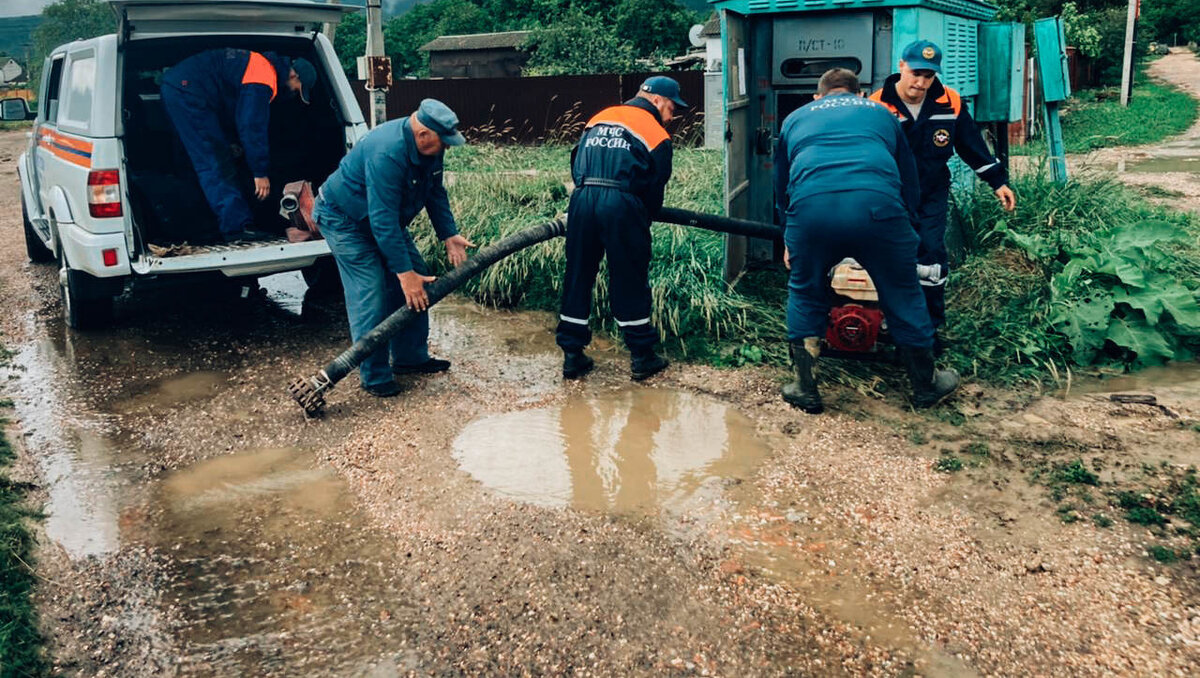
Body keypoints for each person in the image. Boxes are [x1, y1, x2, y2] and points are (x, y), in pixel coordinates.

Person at [774, 68, 959, 413]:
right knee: (903, 292)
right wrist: (910, 230)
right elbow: (909, 180)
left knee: (804, 290)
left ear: (818, 97)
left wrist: (790, 235)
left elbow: (781, 187)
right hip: (879, 209)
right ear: (859, 95)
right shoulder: (881, 113)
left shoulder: (794, 118)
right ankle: (925, 386)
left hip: (810, 213)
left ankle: (805, 387)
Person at [312, 99, 476, 398]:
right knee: (371, 289)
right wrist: (403, 273)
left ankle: (410, 358)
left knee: (420, 279)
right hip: (343, 219)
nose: (447, 149)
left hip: (381, 220)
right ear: (423, 133)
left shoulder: (430, 149)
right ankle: (373, 376)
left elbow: (435, 191)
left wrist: (449, 234)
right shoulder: (386, 151)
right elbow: (383, 220)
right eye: (444, 142)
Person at [869, 40, 1017, 335]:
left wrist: (998, 181)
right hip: (892, 194)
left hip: (932, 191)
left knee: (932, 254)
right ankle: (890, 320)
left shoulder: (950, 102)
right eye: (915, 73)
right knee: (892, 254)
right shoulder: (876, 105)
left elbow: (971, 145)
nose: (921, 82)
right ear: (901, 66)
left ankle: (930, 325)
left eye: (929, 76)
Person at [555, 76, 685, 381]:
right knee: (629, 276)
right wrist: (642, 215)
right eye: (671, 106)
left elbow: (576, 162)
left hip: (583, 198)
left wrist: (588, 194)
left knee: (578, 275)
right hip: (622, 204)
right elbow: (656, 186)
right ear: (655, 100)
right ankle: (642, 355)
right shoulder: (656, 133)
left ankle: (572, 355)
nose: (673, 114)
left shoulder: (599, 118)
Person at [160, 48, 318, 242]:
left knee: (210, 157)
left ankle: (209, 225)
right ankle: (236, 229)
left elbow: (231, 110)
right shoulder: (262, 77)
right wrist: (260, 173)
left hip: (186, 88)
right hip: (187, 91)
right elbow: (251, 125)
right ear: (294, 74)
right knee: (215, 161)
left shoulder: (260, 69)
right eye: (297, 87)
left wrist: (230, 142)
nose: (293, 92)